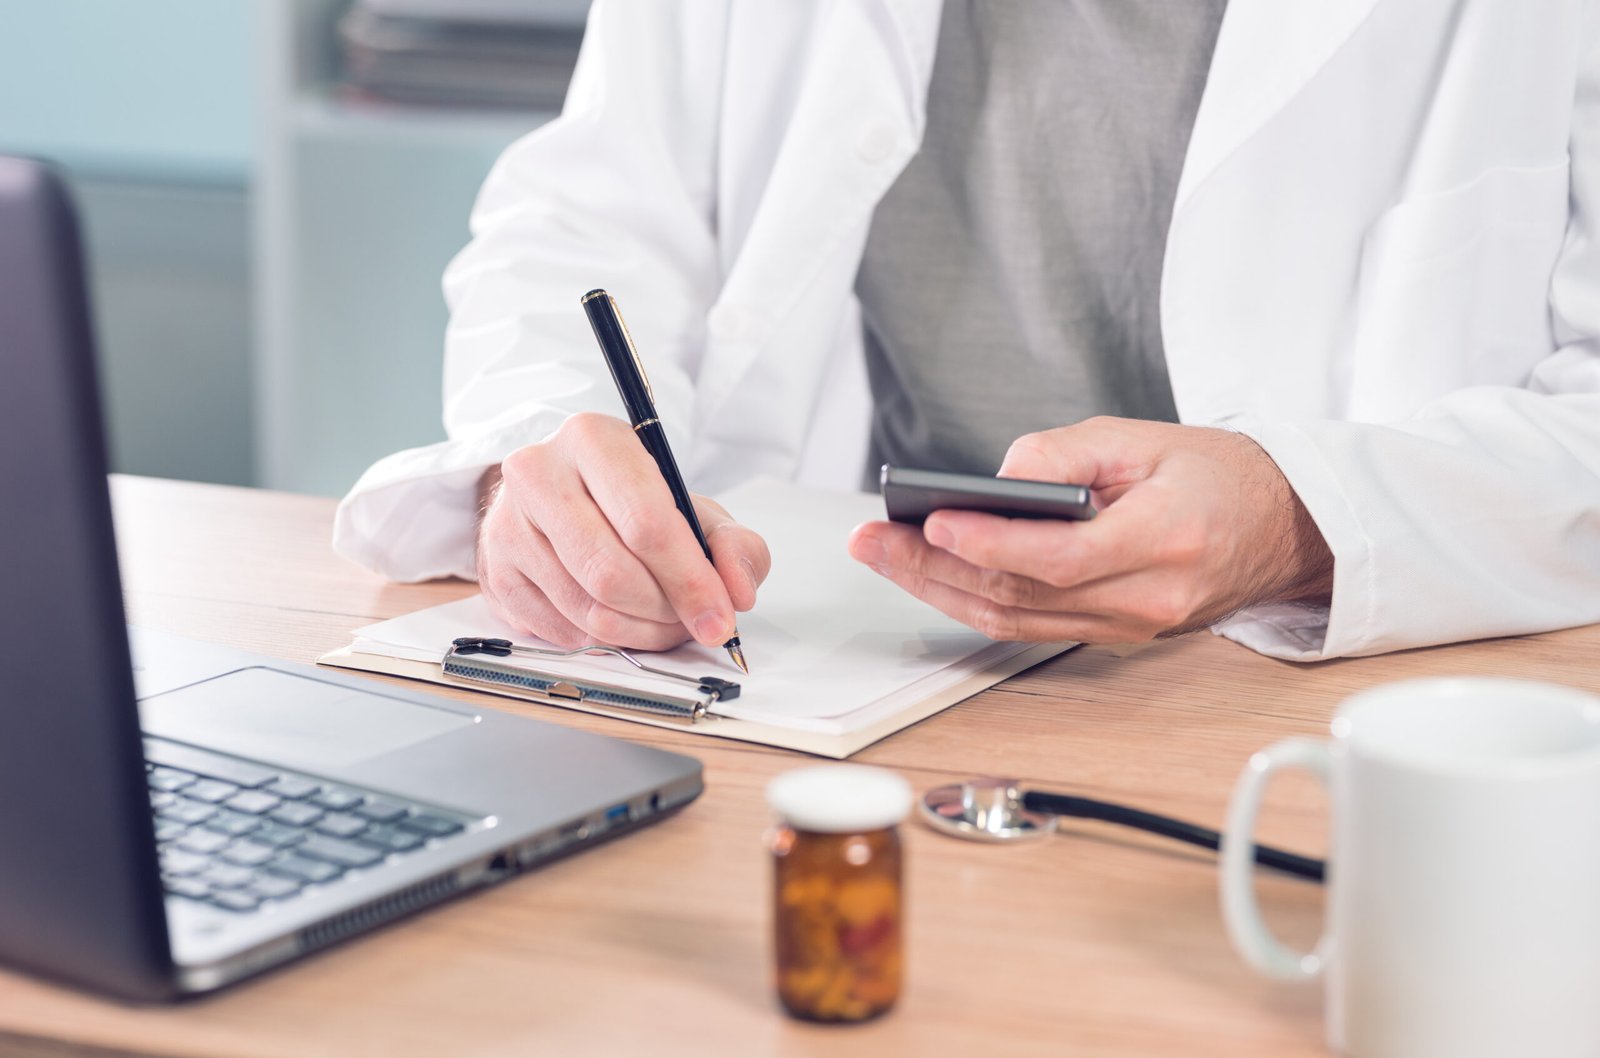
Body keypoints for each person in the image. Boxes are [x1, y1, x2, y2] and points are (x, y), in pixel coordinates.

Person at [335, 1, 1600, 663]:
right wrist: (544, 460)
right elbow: (588, 220)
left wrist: (1296, 516)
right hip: (861, 664)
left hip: (1333, 715)